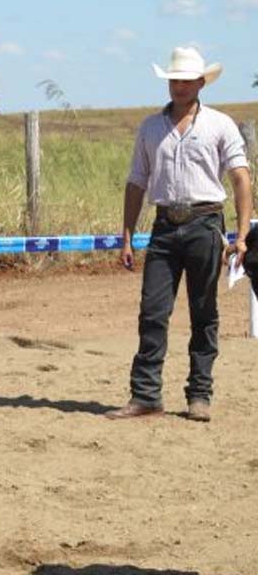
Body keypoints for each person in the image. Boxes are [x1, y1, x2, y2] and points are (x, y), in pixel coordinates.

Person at [107, 46, 252, 423]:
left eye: (186, 80)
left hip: (206, 224)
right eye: (174, 80)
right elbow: (136, 183)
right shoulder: (150, 127)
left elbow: (240, 179)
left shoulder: (220, 125)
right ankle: (145, 394)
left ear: (201, 83)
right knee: (152, 312)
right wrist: (126, 236)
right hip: (164, 226)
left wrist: (242, 234)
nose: (179, 86)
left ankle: (199, 394)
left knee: (204, 312)